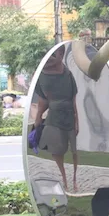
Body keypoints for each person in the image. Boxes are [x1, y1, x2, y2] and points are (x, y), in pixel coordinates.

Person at [34, 46, 80, 192]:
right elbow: (43, 101)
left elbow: (74, 101)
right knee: (56, 150)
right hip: (53, 117)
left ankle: (74, 180)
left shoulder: (68, 75)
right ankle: (64, 180)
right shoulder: (42, 76)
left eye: (53, 55)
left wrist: (77, 120)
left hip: (69, 116)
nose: (49, 59)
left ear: (61, 55)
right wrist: (38, 117)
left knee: (73, 150)